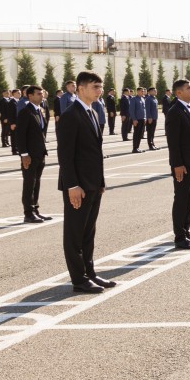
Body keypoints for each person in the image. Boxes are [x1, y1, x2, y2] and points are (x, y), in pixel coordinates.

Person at [57, 71, 114, 294]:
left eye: (100, 87)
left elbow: (94, 152)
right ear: (80, 88)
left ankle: (89, 273)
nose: (99, 91)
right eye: (95, 87)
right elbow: (65, 154)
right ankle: (78, 279)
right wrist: (72, 185)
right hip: (78, 185)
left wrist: (100, 182)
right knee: (74, 233)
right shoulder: (71, 115)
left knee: (88, 232)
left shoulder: (91, 111)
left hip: (92, 183)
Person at [166, 79, 190, 248]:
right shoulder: (174, 111)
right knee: (181, 199)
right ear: (179, 92)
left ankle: (187, 232)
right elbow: (173, 142)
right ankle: (179, 237)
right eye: (188, 88)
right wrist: (177, 164)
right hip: (182, 164)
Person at [15, 85, 51, 224]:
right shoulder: (25, 112)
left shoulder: (39, 110)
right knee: (29, 183)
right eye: (38, 94)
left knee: (37, 182)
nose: (42, 96)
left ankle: (35, 210)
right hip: (29, 155)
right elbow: (20, 135)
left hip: (40, 153)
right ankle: (28, 213)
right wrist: (24, 154)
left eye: (42, 93)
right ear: (30, 96)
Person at [129, 86, 148, 153]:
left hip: (142, 119)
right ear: (138, 91)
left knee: (140, 134)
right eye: (142, 91)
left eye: (143, 91)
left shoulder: (143, 99)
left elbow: (144, 109)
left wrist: (145, 118)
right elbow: (131, 110)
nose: (143, 92)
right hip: (137, 119)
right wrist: (134, 119)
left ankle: (137, 147)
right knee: (136, 134)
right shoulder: (134, 99)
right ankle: (134, 148)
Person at [143, 86, 159, 150]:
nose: (156, 91)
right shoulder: (148, 99)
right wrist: (149, 117)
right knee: (150, 132)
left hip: (154, 117)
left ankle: (153, 144)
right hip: (151, 118)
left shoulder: (154, 98)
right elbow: (147, 109)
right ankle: (150, 145)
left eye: (156, 90)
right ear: (150, 92)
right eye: (154, 90)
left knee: (153, 132)